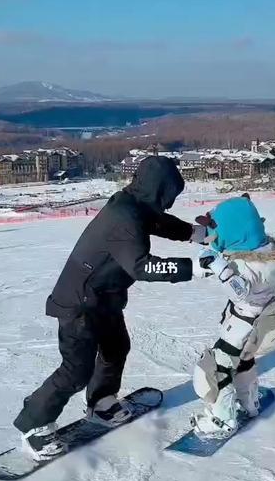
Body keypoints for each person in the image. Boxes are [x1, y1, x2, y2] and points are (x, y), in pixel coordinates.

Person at [14, 156, 209, 460]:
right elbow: (142, 267)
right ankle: (34, 426)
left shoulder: (134, 205)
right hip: (79, 302)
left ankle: (102, 404)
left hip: (104, 297)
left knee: (116, 347)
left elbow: (158, 221)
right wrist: (194, 268)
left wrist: (197, 234)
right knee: (75, 371)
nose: (170, 202)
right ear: (160, 190)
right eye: (169, 195)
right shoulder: (123, 217)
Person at [191, 195, 275, 438]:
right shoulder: (265, 254)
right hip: (258, 322)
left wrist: (219, 268)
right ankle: (250, 403)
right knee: (244, 361)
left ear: (236, 229)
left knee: (218, 368)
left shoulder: (249, 267)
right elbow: (226, 254)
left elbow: (241, 289)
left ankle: (222, 419)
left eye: (216, 228)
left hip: (241, 324)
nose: (214, 235)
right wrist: (210, 263)